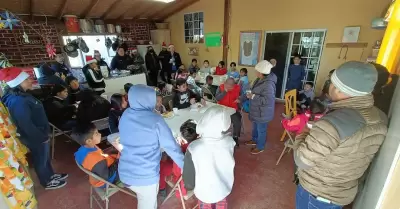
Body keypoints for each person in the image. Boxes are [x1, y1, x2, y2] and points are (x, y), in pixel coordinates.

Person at [293, 61, 388, 209]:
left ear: (337, 89)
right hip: (341, 194)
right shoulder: (381, 117)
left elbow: (302, 160)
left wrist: (305, 130)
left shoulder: (331, 124)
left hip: (316, 194)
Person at [0, 67, 68, 190]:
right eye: (26, 79)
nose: (31, 80)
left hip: (40, 133)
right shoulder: (18, 101)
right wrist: (41, 136)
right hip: (36, 136)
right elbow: (25, 124)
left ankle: (51, 175)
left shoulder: (23, 96)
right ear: (18, 82)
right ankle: (46, 181)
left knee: (45, 157)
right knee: (40, 159)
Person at [118, 84, 184, 209]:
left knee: (143, 199)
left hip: (125, 173)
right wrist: (186, 166)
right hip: (145, 176)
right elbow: (172, 148)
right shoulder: (156, 119)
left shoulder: (126, 114)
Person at [183, 106, 235, 208]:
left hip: (204, 191)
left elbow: (189, 175)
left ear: (204, 121)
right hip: (223, 187)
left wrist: (190, 187)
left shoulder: (194, 147)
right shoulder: (230, 142)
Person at [244, 60, 276, 154]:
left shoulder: (268, 84)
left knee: (261, 130)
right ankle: (254, 140)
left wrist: (253, 96)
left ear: (261, 73)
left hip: (263, 112)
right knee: (255, 127)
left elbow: (267, 100)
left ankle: (260, 146)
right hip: (257, 110)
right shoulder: (260, 79)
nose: (255, 72)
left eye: (257, 71)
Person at [159, 119, 198, 198]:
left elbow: (177, 172)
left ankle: (162, 188)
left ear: (183, 137)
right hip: (200, 175)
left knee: (161, 165)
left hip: (187, 183)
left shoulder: (181, 152)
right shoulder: (201, 146)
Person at [74, 122, 119, 187]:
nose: (100, 134)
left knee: (117, 153)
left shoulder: (82, 150)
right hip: (106, 181)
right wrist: (117, 161)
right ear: (89, 141)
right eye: (96, 134)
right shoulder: (96, 159)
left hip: (99, 171)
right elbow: (107, 176)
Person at [215, 78, 242, 147]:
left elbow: (242, 96)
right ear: (225, 83)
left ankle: (235, 137)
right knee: (215, 119)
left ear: (234, 85)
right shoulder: (220, 87)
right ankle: (217, 135)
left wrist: (239, 99)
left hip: (233, 109)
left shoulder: (237, 88)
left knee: (238, 121)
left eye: (231, 86)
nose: (230, 87)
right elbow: (217, 98)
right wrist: (224, 91)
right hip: (221, 109)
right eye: (228, 85)